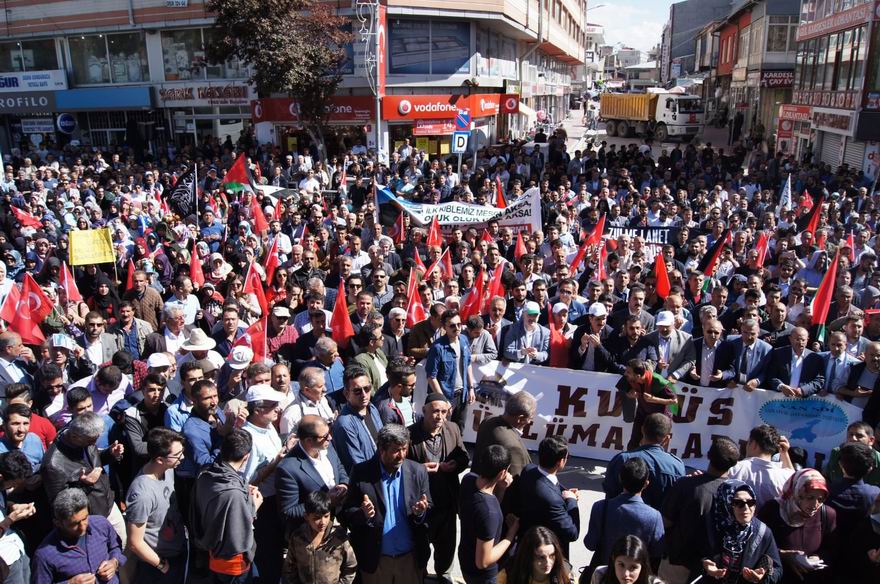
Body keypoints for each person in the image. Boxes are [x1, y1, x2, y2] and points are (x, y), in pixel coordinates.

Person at [341, 424, 432, 584]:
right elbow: (346, 514)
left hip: (409, 560)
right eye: (396, 450)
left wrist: (420, 513)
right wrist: (363, 514)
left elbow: (428, 505)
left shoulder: (417, 471)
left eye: (405, 449)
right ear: (381, 449)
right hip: (376, 561)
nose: (402, 455)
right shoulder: (362, 472)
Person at [660, 436, 741, 583]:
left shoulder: (685, 485)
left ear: (709, 456)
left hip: (679, 561)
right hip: (717, 567)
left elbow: (665, 522)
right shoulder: (739, 494)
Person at [407, 393, 470, 581]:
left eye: (444, 412)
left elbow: (463, 456)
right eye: (435, 411)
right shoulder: (409, 434)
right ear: (424, 410)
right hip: (420, 504)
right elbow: (400, 466)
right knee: (420, 545)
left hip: (446, 501)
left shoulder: (452, 429)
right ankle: (420, 574)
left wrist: (454, 465)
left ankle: (444, 575)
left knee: (446, 546)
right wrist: (420, 469)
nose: (440, 417)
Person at [41, 411, 127, 546]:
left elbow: (94, 458)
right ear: (75, 436)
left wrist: (110, 453)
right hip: (88, 517)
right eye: (92, 440)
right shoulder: (53, 465)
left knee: (121, 543)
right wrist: (84, 484)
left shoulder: (85, 439)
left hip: (108, 502)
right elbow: (59, 503)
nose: (94, 443)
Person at [240, 383, 297, 584]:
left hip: (277, 499)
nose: (278, 409)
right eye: (273, 405)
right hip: (263, 506)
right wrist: (277, 462)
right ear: (258, 410)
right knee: (268, 556)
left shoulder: (269, 427)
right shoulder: (248, 438)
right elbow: (247, 483)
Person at [191, 429, 262, 584]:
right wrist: (254, 506)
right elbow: (238, 529)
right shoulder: (233, 493)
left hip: (212, 554)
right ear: (246, 457)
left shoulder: (205, 476)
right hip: (234, 565)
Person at [124, 427, 188, 584]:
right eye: (178, 455)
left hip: (177, 548)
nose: (183, 457)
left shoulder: (168, 469)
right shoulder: (142, 494)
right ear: (160, 459)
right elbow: (135, 542)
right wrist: (160, 565)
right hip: (158, 565)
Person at [586, 457, 664, 577]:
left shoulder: (601, 507)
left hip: (604, 575)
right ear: (646, 483)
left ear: (620, 479)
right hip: (634, 578)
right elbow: (657, 553)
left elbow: (590, 544)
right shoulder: (654, 517)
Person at [757, 469, 836, 584]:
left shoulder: (827, 514)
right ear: (797, 493)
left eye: (820, 499)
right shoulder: (773, 510)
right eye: (810, 498)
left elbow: (833, 549)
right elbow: (757, 544)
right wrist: (783, 555)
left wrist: (816, 558)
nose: (815, 505)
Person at [32, 488, 125, 584]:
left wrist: (114, 562)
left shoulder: (101, 524)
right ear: (58, 523)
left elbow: (116, 547)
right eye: (74, 524)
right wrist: (70, 583)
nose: (82, 527)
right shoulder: (44, 555)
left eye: (85, 518)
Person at [700, 480, 783, 584]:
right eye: (738, 503)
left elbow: (777, 569)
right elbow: (692, 555)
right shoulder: (711, 526)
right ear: (726, 504)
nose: (746, 508)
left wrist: (761, 578)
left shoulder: (762, 531)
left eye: (751, 502)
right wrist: (705, 566)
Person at [458, 444, 519, 584]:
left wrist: (501, 489)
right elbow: (483, 562)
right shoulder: (489, 512)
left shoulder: (468, 479)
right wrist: (510, 535)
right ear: (502, 473)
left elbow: (483, 508)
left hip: (466, 560)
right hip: (482, 576)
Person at [276, 415, 349, 531]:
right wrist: (326, 500)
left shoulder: (327, 446)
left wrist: (344, 485)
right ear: (309, 441)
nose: (330, 437)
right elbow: (288, 512)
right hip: (312, 533)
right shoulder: (287, 469)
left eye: (329, 432)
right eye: (325, 436)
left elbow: (339, 467)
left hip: (341, 521)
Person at [604, 412, 685, 510]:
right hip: (658, 524)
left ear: (642, 430)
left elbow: (609, 496)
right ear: (667, 439)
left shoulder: (621, 459)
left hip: (619, 521)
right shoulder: (677, 466)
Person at [517, 436, 580, 558]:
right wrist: (572, 500)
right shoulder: (553, 501)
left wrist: (564, 492)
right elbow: (572, 533)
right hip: (544, 552)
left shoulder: (528, 470)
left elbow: (548, 484)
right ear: (560, 462)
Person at [283, 490, 358, 584]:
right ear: (306, 516)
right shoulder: (298, 537)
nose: (323, 522)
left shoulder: (338, 537)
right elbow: (289, 568)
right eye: (316, 518)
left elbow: (351, 565)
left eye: (326, 516)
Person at [425, 309, 476, 429]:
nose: (457, 328)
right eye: (452, 325)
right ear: (444, 327)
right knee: (442, 430)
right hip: (446, 396)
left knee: (459, 429)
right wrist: (442, 400)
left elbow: (468, 364)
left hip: (462, 394)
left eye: (459, 324)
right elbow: (431, 377)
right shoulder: (437, 347)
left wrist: (471, 388)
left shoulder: (463, 340)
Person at [332, 365, 384, 473]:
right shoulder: (344, 423)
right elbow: (356, 463)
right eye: (357, 391)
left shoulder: (372, 408)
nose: (364, 395)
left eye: (367, 388)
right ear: (346, 394)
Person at [728, 425, 795, 507]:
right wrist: (784, 452)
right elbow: (794, 481)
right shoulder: (785, 477)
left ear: (754, 444)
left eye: (748, 442)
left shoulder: (734, 469)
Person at [474, 391, 536, 478]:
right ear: (520, 418)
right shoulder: (513, 446)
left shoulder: (488, 420)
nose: (529, 422)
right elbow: (516, 480)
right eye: (530, 418)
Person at [497, 526, 572, 584]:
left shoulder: (565, 574)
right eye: (541, 557)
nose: (548, 562)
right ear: (528, 556)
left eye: (552, 555)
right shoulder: (510, 572)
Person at [822, 421, 880, 485]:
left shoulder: (878, 460)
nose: (853, 439)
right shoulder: (837, 453)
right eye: (851, 435)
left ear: (871, 440)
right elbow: (827, 478)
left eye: (859, 436)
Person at [590, 535, 664, 584]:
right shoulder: (600, 576)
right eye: (621, 565)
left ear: (642, 566)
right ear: (613, 561)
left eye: (633, 567)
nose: (626, 574)